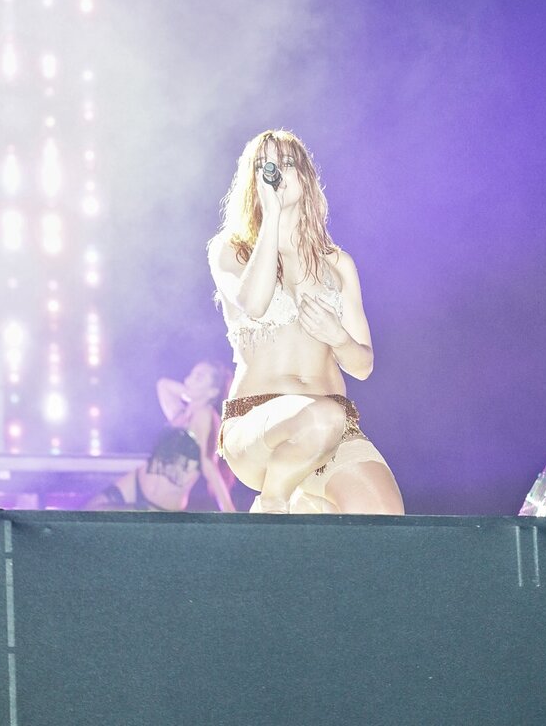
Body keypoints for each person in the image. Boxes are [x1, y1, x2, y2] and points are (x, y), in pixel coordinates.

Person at [208, 129, 404, 515]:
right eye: (266, 166)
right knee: (321, 420)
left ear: (305, 176)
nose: (277, 173)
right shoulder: (232, 250)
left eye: (287, 163)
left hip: (333, 425)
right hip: (258, 425)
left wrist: (338, 337)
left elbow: (362, 365)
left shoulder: (338, 263)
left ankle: (306, 500)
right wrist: (272, 217)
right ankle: (273, 502)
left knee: (384, 521)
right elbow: (256, 304)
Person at [155, 360, 236, 512]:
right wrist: (189, 394)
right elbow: (163, 385)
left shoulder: (205, 414)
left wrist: (228, 509)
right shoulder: (182, 414)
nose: (188, 379)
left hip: (172, 500)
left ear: (212, 392)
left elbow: (208, 463)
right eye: (191, 374)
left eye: (199, 377)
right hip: (154, 494)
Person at [86, 426, 203, 511]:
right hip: (142, 502)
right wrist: (140, 510)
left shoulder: (194, 469)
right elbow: (90, 510)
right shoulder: (142, 472)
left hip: (163, 519)